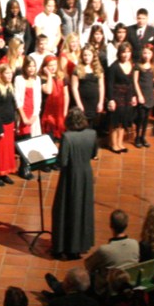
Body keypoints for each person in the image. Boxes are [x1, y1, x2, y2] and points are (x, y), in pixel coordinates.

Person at [50, 108, 97, 260]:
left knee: (65, 210)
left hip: (70, 177)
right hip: (86, 175)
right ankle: (79, 246)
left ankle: (63, 246)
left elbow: (62, 162)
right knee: (82, 208)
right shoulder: (92, 134)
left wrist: (55, 157)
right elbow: (93, 154)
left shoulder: (67, 137)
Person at [85, 210, 139, 296]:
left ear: (111, 225)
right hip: (128, 283)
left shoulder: (104, 250)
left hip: (108, 290)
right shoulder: (135, 244)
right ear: (126, 225)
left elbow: (88, 265)